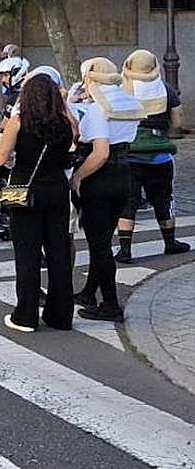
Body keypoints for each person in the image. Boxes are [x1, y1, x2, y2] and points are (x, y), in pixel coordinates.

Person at [0, 74, 77, 332]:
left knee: (27, 254)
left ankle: (26, 316)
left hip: (26, 190)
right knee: (58, 252)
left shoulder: (19, 122)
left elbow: (1, 156)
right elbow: (70, 155)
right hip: (58, 190)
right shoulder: (67, 123)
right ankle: (61, 315)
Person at [70, 58, 146, 322]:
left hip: (99, 178)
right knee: (102, 240)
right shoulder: (128, 101)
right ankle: (89, 293)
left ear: (91, 80)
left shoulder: (97, 109)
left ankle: (111, 305)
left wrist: (78, 177)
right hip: (125, 174)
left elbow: (100, 153)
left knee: (98, 246)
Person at [118, 49, 189, 260]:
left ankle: (125, 249)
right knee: (164, 199)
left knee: (128, 201)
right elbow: (179, 122)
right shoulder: (166, 89)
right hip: (161, 156)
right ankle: (170, 242)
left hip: (129, 156)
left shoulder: (122, 90)